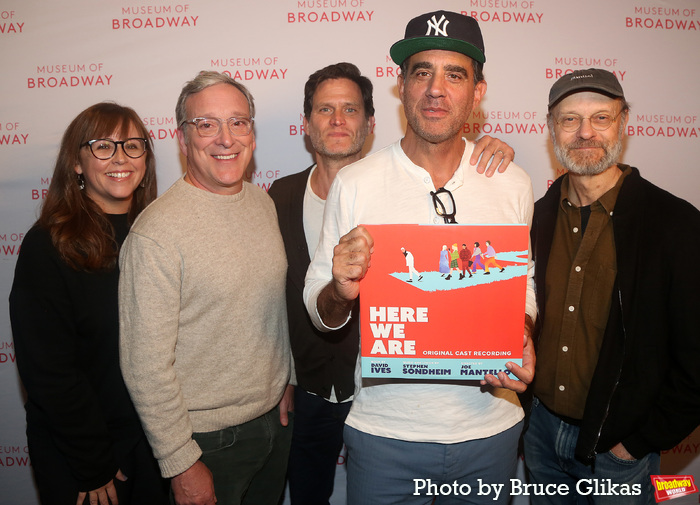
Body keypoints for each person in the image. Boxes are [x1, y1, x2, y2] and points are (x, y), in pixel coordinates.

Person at [303, 11, 536, 504]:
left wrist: (524, 333)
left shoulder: (511, 182)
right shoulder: (356, 182)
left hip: (489, 432)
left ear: (477, 92)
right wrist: (340, 291)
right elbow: (320, 307)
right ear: (401, 86)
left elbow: (524, 286)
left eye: (455, 75)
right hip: (384, 435)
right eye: (421, 72)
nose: (436, 89)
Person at [524, 68, 700, 504]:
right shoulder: (533, 219)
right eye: (570, 120)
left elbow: (697, 358)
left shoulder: (675, 225)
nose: (585, 133)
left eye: (600, 118)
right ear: (551, 130)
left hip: (620, 452)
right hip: (541, 436)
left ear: (624, 123)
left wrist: (638, 443)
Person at [119, 71, 293, 505]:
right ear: (182, 139)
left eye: (238, 122)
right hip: (206, 444)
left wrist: (286, 376)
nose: (225, 138)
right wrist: (180, 460)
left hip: (275, 422)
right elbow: (145, 366)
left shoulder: (261, 203)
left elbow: (271, 304)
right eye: (207, 124)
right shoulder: (156, 234)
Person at [9, 102, 168, 505]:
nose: (120, 158)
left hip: (155, 442)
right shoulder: (47, 245)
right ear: (77, 162)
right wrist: (92, 460)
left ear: (146, 160)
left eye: (133, 145)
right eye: (103, 146)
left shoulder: (159, 235)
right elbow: (49, 372)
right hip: (84, 456)